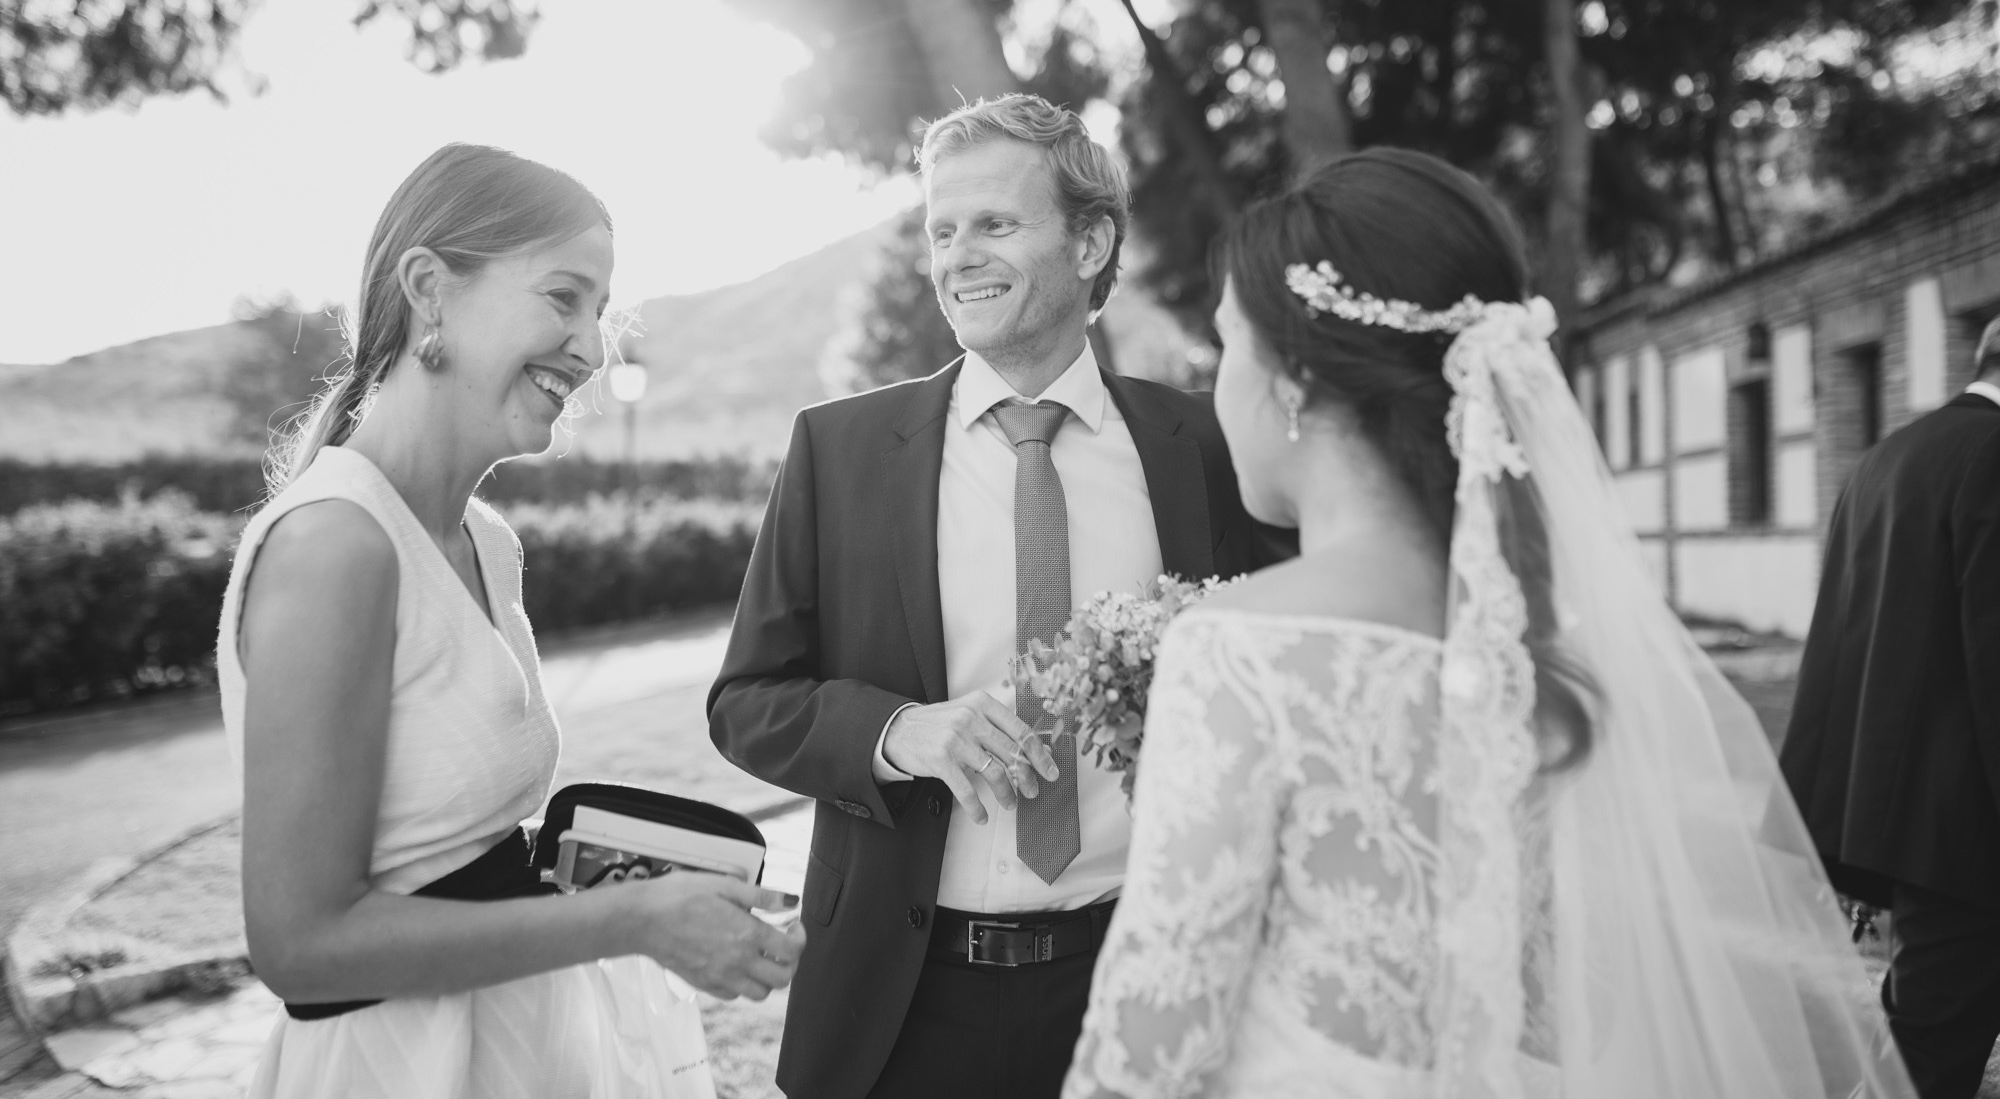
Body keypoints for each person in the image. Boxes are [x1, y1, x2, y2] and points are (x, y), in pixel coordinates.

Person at [1063, 148, 1916, 1098]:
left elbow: (1150, 1046)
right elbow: (1578, 1003)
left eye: (1230, 347)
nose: (1219, 387)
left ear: (1294, 377)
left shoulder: (1239, 651)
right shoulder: (1541, 650)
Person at [707, 94, 1284, 1099]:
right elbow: (745, 702)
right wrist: (899, 732)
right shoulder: (838, 450)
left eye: (995, 224)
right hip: (899, 1003)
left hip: (1142, 977)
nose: (958, 257)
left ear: (1090, 243)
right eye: (942, 231)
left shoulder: (1205, 448)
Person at [216, 144, 804, 1099]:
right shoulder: (337, 548)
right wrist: (634, 922)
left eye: (600, 311)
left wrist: (655, 886)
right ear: (430, 290)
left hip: (524, 1045)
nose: (593, 348)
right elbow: (300, 946)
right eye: (565, 297)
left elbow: (464, 844)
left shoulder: (487, 541)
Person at [1781, 314, 2000, 1098]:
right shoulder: (1992, 455)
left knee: (1919, 1041)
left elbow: (1842, 636)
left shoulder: (1882, 457)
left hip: (1900, 816)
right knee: (1928, 1061)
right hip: (1970, 826)